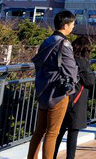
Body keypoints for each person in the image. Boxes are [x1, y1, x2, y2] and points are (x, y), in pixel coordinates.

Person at [28, 10, 79, 159]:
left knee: (39, 131)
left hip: (43, 89)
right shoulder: (64, 43)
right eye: (72, 24)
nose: (73, 27)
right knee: (52, 133)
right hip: (58, 93)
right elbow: (71, 69)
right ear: (65, 25)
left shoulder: (47, 41)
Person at [53, 36, 96, 159]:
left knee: (58, 132)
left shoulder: (67, 59)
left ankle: (52, 155)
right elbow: (90, 81)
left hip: (63, 97)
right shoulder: (82, 61)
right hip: (77, 100)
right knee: (73, 132)